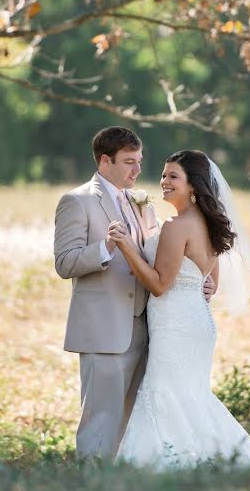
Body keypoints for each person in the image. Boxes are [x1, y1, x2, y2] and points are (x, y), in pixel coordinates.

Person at [53, 128, 215, 460]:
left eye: (139, 162)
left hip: (151, 330)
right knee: (100, 421)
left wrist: (203, 277)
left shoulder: (140, 203)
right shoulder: (77, 201)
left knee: (135, 425)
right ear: (105, 160)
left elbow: (162, 256)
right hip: (105, 329)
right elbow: (65, 263)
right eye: (129, 162)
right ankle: (93, 484)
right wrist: (106, 247)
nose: (137, 171)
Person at [110, 149, 250, 470]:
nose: (164, 182)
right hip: (197, 321)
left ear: (194, 185)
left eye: (173, 177)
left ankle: (164, 467)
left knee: (165, 394)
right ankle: (217, 462)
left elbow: (158, 284)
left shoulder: (178, 226)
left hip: (175, 325)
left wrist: (127, 245)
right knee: (189, 396)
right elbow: (209, 277)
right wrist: (204, 285)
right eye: (164, 174)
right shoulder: (208, 224)